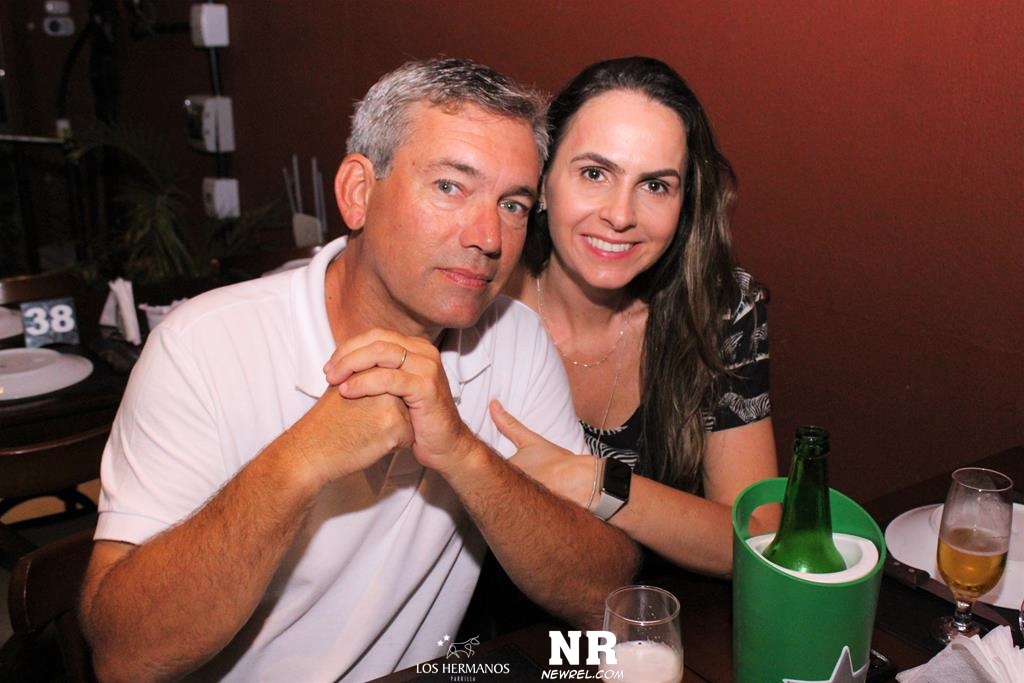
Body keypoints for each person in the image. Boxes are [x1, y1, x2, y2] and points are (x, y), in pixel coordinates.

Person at [79, 58, 638, 683]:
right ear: (357, 192)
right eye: (450, 186)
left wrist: (463, 454)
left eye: (512, 204)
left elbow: (605, 594)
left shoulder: (515, 338)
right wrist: (301, 460)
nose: (488, 237)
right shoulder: (202, 346)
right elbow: (125, 657)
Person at [492, 56, 779, 578]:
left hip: (655, 618)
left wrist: (598, 483)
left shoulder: (719, 311)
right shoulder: (477, 304)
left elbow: (757, 537)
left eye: (655, 186)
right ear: (543, 181)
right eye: (594, 173)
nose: (621, 215)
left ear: (685, 205)